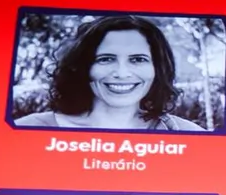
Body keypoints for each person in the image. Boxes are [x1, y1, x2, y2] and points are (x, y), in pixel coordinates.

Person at [15, 15, 205, 131]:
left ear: (157, 69)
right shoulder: (29, 128)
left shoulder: (187, 133)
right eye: (105, 59)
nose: (122, 73)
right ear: (83, 66)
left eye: (138, 59)